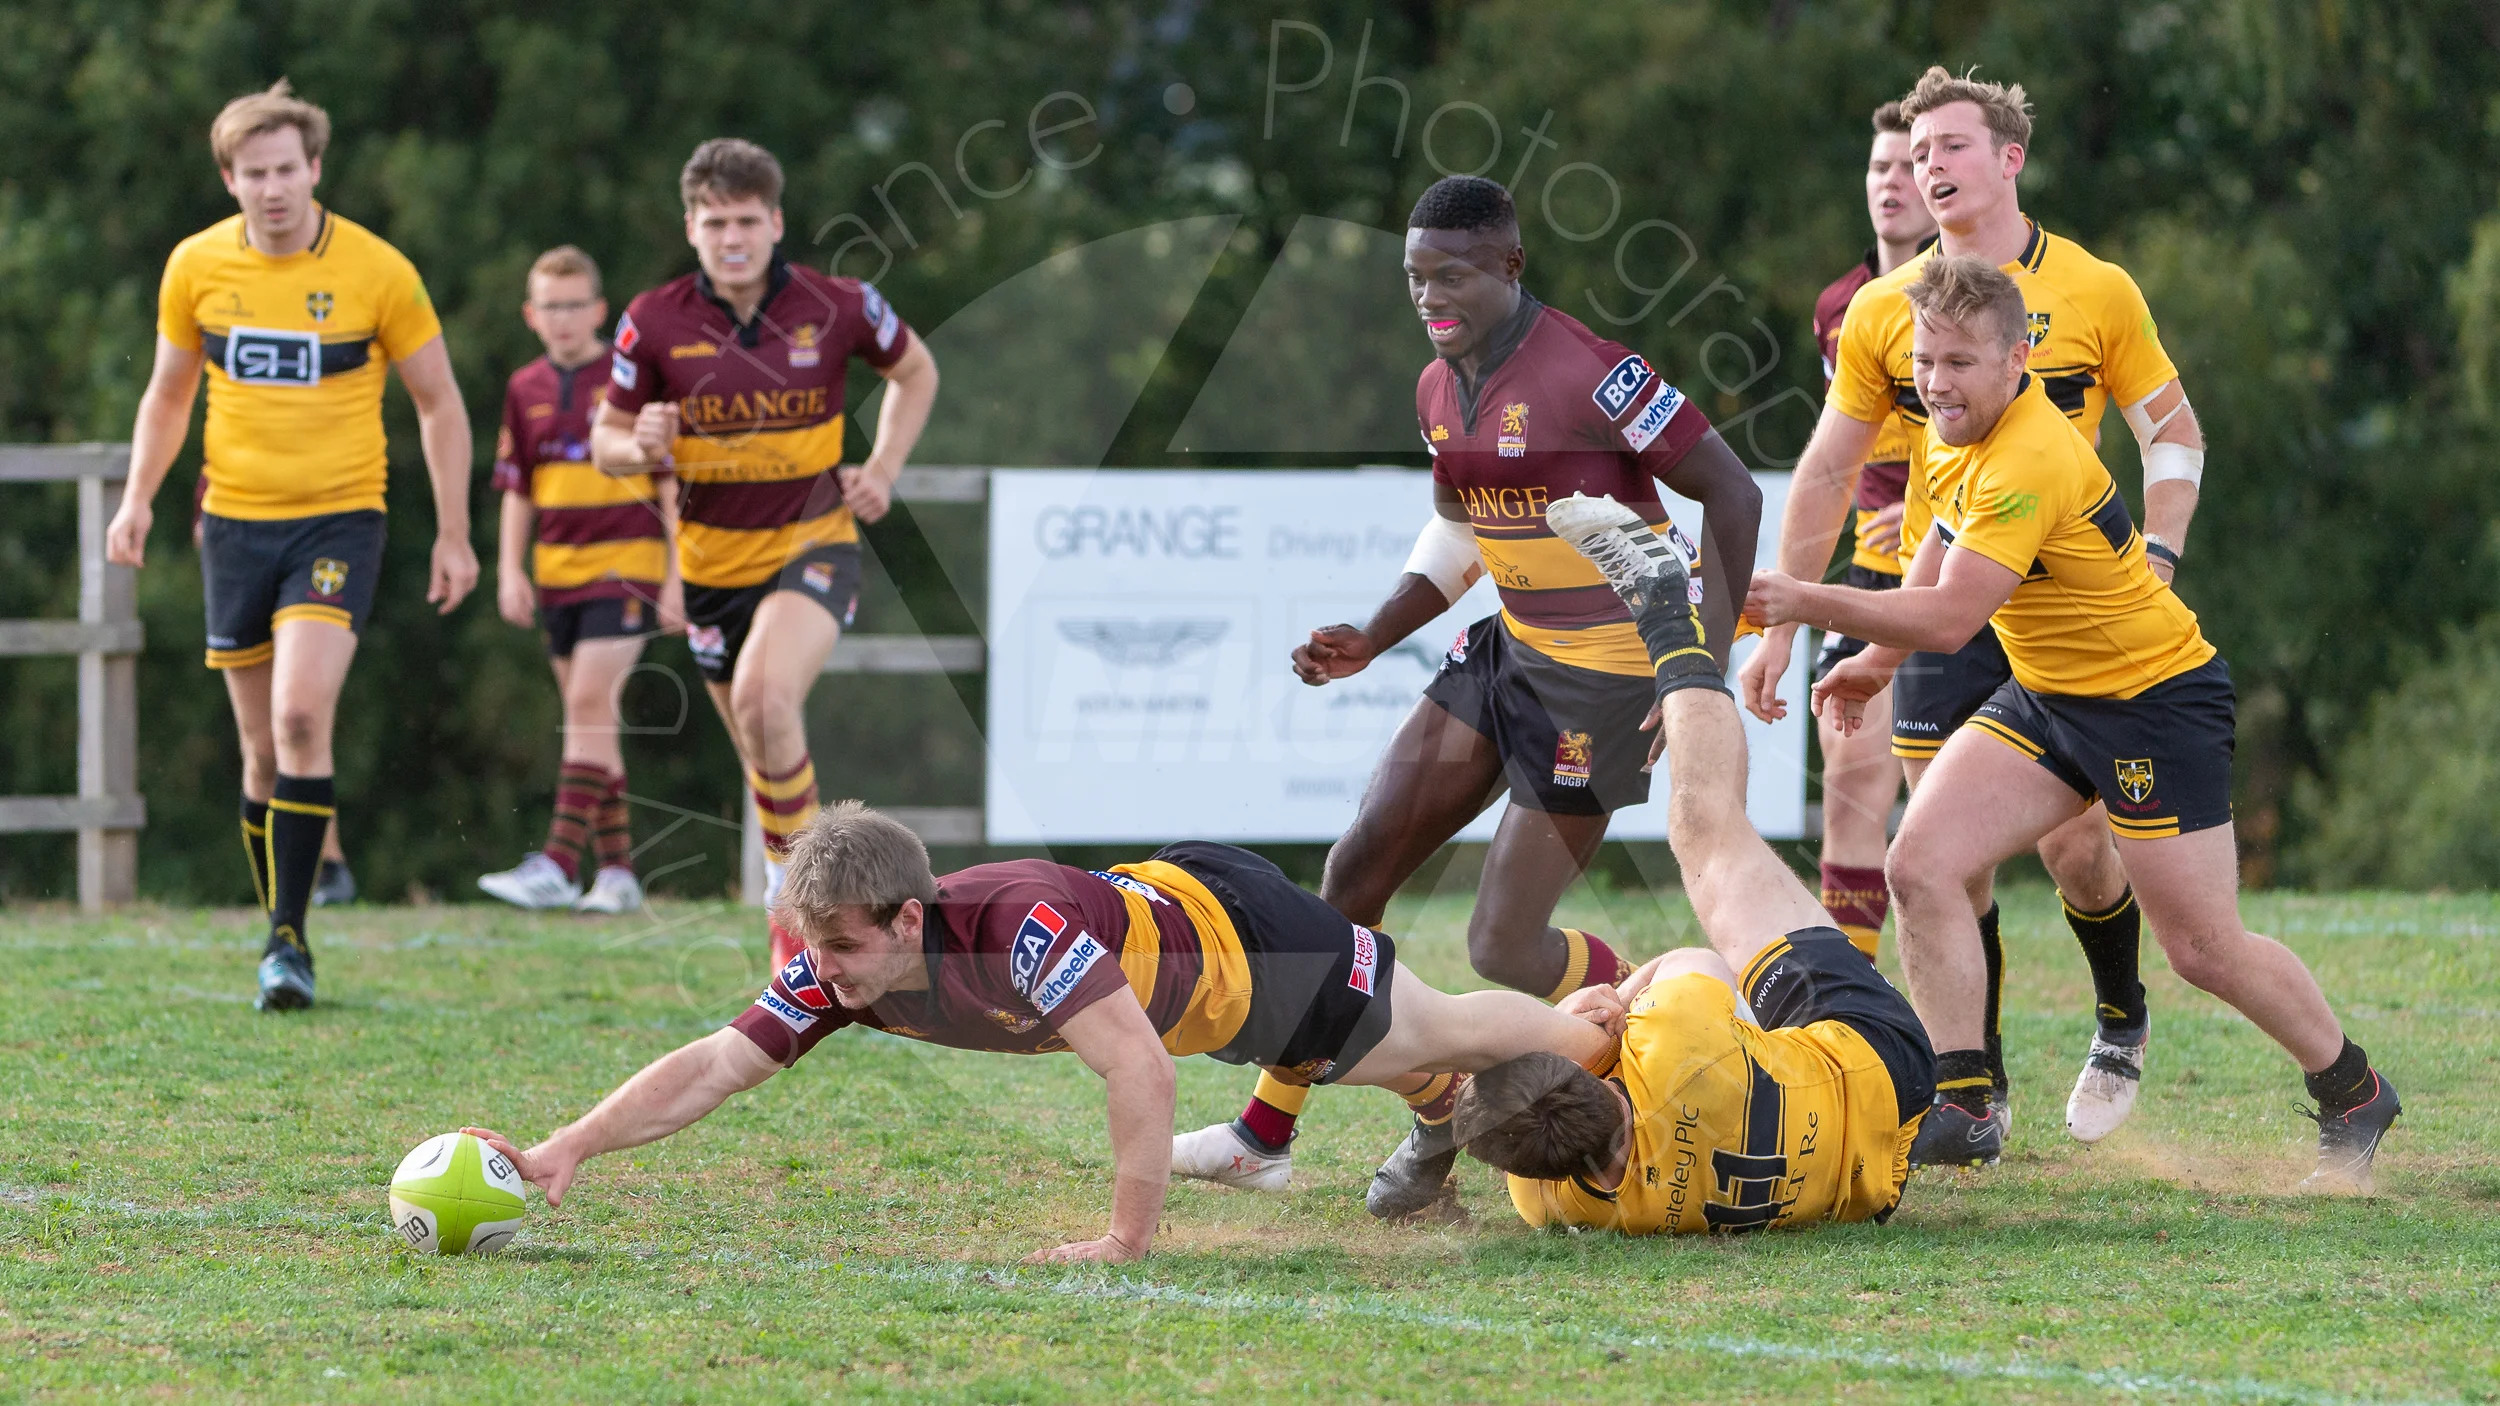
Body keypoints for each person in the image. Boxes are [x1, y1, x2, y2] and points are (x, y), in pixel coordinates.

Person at [1169, 174, 1764, 1219]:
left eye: (1451, 275)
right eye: (1415, 276)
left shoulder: (1592, 372)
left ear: (1511, 265)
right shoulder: (1439, 385)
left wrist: (1694, 672)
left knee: (1502, 946)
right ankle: (1265, 1133)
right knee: (1354, 868)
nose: (1429, 295)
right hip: (1506, 655)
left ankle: (1677, 1018)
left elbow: (1733, 491)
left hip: (1606, 682)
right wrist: (1374, 633)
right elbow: (1461, 529)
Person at [1745, 255, 2400, 1190]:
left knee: (2202, 950)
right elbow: (1938, 542)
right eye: (1924, 360)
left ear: (2017, 360)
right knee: (1920, 863)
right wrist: (1876, 663)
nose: (1935, 382)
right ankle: (1965, 1102)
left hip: (2153, 704)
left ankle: (2353, 1089)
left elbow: (1952, 618)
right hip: (2049, 693)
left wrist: (1802, 600)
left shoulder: (2031, 457)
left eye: (1959, 363)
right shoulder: (1953, 428)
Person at [464, 802, 1618, 1263]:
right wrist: (567, 1146)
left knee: (1444, 1031)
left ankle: (1610, 1030)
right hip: (1178, 921)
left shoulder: (1019, 930)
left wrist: (1126, 1239)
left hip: (1254, 950)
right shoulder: (845, 967)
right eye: (814, 948)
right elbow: (714, 1065)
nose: (822, 972)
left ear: (908, 918)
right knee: (1413, 1059)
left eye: (842, 947)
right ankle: (1388, 1122)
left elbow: (1138, 1069)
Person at [1738, 67, 2206, 1149]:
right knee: (1943, 855)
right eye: (1916, 154)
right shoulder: (1880, 311)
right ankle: (1972, 1091)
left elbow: (2173, 431)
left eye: (1949, 147)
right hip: (1937, 597)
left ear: (2008, 160)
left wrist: (2163, 548)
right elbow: (1824, 473)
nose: (1927, 168)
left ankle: (2119, 1021)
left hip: (2066, 609)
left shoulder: (2094, 289)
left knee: (2078, 850)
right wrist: (1783, 629)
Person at [1449, 490, 1935, 1234]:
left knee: (1741, 1042)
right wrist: (1611, 1006)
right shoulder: (1673, 1041)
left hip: (1872, 1162)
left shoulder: (1553, 1202)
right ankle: (1671, 620)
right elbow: (1698, 965)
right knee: (1706, 834)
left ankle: (1683, 676)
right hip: (1870, 1050)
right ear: (1593, 1069)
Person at [105, 80, 475, 1010]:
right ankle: (283, 929)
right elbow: (167, 394)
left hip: (340, 518)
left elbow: (438, 402)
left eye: (286, 170)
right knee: (260, 751)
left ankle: (287, 941)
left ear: (315, 168)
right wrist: (137, 499)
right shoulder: (195, 266)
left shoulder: (378, 270)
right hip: (234, 525)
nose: (272, 189)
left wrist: (456, 532)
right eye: (254, 173)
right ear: (228, 179)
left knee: (302, 717)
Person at [593, 138, 940, 952]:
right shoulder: (653, 319)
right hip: (711, 569)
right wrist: (638, 445)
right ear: (691, 227)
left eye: (747, 220)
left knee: (764, 702)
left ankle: (798, 925)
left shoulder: (840, 303)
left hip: (813, 545)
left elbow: (916, 372)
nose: (733, 238)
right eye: (715, 223)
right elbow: (605, 440)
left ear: (776, 222)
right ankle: (808, 910)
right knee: (762, 747)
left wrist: (882, 469)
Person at [476, 246, 679, 915]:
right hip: (557, 575)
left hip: (629, 569)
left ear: (599, 311)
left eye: (574, 305)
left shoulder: (631, 380)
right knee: (591, 724)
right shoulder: (524, 387)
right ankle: (617, 874)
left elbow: (669, 480)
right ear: (531, 315)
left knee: (589, 704)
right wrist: (510, 570)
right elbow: (518, 488)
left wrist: (680, 576)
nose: (562, 318)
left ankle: (559, 864)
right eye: (550, 307)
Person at [1805, 100, 1937, 960]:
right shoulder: (1837, 308)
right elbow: (1836, 449)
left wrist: (1931, 503)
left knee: (1951, 814)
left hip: (1961, 575)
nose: (1890, 183)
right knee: (1852, 781)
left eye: (1906, 168)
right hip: (1869, 574)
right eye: (1878, 167)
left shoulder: (1971, 297)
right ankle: (1852, 1001)